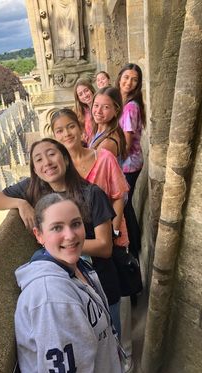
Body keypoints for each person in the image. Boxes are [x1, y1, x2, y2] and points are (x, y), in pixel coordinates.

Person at [0, 138, 122, 334]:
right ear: (35, 169)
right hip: (65, 288)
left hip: (101, 283)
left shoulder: (92, 194)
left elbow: (105, 247)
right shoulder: (32, 189)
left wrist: (60, 244)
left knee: (112, 339)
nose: (47, 162)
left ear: (65, 159)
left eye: (51, 154)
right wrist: (21, 204)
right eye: (39, 159)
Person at [14, 193, 123, 373]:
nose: (70, 235)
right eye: (57, 228)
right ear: (39, 235)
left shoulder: (76, 265)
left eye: (76, 224)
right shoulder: (52, 297)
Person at [49, 108, 130, 339]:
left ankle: (124, 354)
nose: (66, 133)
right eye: (60, 130)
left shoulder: (103, 157)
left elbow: (119, 196)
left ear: (81, 127)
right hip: (81, 251)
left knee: (114, 297)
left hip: (107, 233)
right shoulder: (58, 169)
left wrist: (113, 229)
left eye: (71, 126)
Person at [115, 63, 146, 260]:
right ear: (119, 78)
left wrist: (114, 163)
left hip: (129, 163)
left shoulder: (131, 107)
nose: (129, 82)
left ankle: (134, 248)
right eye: (126, 77)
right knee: (126, 205)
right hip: (128, 162)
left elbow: (126, 142)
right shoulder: (122, 102)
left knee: (125, 206)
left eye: (134, 79)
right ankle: (134, 246)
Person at [89, 87, 127, 166]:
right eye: (96, 105)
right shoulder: (102, 130)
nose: (98, 111)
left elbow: (93, 174)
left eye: (106, 107)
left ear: (116, 111)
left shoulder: (107, 144)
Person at [73, 78, 95, 144]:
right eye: (80, 94)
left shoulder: (101, 105)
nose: (85, 95)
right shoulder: (79, 112)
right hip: (89, 147)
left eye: (86, 90)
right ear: (78, 98)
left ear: (91, 90)